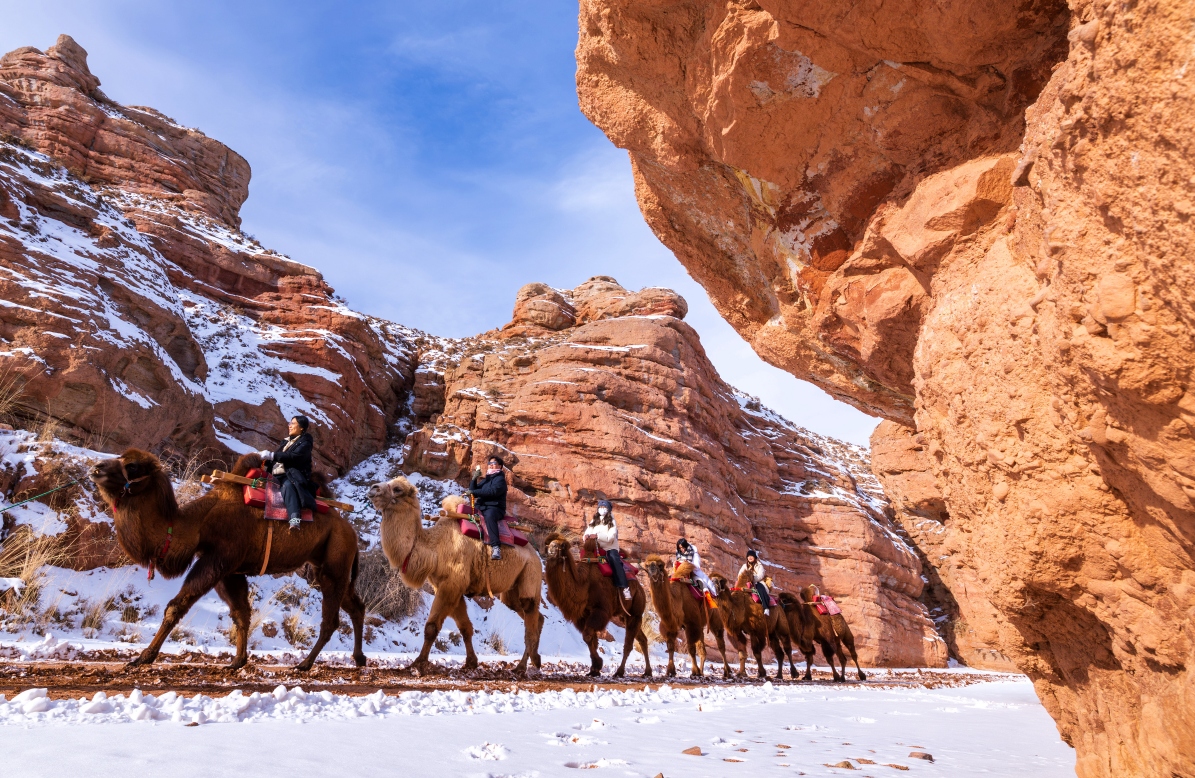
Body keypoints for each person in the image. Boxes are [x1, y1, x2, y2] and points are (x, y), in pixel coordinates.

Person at [259, 415, 316, 530]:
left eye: (293, 423)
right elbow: (277, 460)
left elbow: (293, 457)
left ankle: (294, 518)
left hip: (291, 475)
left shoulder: (305, 443)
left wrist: (271, 455)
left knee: (288, 486)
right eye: (290, 423)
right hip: (275, 474)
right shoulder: (285, 442)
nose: (289, 426)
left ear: (301, 427)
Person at [583, 499, 631, 600]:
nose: (602, 509)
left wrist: (597, 535)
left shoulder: (612, 521)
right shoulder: (594, 520)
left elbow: (611, 537)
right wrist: (586, 536)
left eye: (604, 507)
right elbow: (588, 531)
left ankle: (625, 588)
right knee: (584, 557)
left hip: (609, 547)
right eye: (600, 507)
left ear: (608, 509)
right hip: (595, 547)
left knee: (614, 558)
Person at [468, 455, 507, 561]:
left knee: (489, 516)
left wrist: (474, 492)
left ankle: (496, 547)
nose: (491, 465)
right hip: (481, 506)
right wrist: (474, 479)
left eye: (494, 463)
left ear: (500, 466)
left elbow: (493, 492)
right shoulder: (486, 480)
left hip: (495, 507)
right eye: (489, 463)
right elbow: (473, 492)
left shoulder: (500, 480)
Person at [738, 548, 771, 615]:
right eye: (748, 556)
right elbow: (739, 575)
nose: (750, 557)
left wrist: (752, 579)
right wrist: (744, 579)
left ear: (754, 557)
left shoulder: (759, 565)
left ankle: (766, 608)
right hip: (745, 583)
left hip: (757, 582)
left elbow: (760, 575)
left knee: (761, 590)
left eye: (751, 556)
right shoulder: (744, 566)